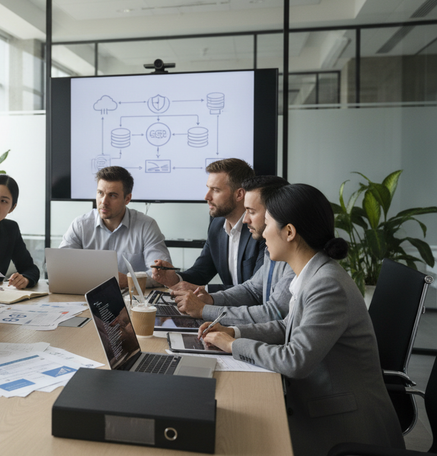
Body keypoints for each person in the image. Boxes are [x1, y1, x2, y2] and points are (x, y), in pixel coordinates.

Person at [201, 184, 405, 455]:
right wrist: (234, 332)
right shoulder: (311, 273)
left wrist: (231, 346)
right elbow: (287, 327)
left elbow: (295, 360)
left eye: (268, 224)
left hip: (345, 430)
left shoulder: (327, 285)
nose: (262, 234)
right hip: (320, 407)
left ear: (289, 232)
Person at [174, 175, 295, 325]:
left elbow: (273, 314)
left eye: (251, 212)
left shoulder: (296, 263)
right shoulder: (273, 251)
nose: (245, 220)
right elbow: (252, 290)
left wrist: (205, 310)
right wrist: (211, 299)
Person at [153, 158, 263, 292]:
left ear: (239, 194)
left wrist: (205, 290)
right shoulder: (217, 225)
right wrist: (175, 279)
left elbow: (257, 290)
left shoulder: (260, 228)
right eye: (208, 189)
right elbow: (201, 272)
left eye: (215, 190)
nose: (207, 196)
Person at [59, 166, 169, 288]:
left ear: (127, 199)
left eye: (112, 196)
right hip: (88, 296)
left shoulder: (146, 226)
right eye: (100, 193)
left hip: (133, 300)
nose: (103, 202)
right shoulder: (80, 225)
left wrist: (129, 280)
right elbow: (61, 269)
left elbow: (162, 276)